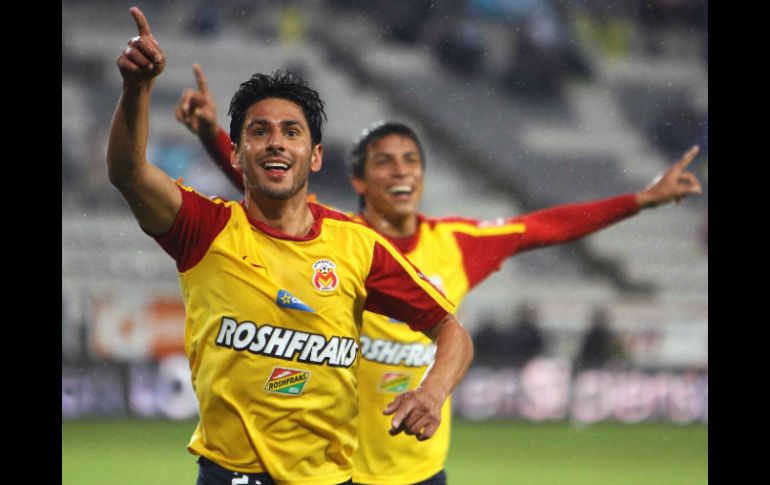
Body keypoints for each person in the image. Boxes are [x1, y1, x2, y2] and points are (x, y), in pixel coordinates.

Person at [175, 64, 702, 485]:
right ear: (357, 180)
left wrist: (640, 200)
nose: (402, 171)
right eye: (385, 162)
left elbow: (546, 226)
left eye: (412, 161)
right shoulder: (339, 240)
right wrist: (210, 135)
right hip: (344, 468)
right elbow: (265, 187)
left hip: (423, 470)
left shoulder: (457, 243)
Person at [107, 8, 474, 485]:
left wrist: (432, 392)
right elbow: (129, 172)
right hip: (230, 476)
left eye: (292, 132)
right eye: (259, 131)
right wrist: (136, 88)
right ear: (235, 153)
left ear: (315, 156)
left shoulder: (357, 246)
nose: (276, 143)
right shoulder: (205, 228)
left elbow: (451, 330)